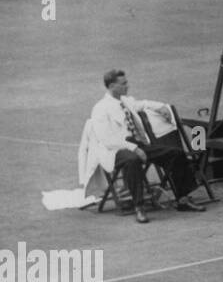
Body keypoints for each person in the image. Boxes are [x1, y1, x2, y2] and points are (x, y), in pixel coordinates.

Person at [87, 69, 208, 223]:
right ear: (112, 86)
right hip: (115, 149)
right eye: (123, 84)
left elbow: (143, 103)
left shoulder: (125, 101)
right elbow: (107, 140)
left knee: (175, 153)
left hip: (136, 144)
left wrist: (162, 107)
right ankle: (139, 206)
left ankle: (183, 199)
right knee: (132, 160)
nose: (127, 86)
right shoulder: (100, 108)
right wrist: (134, 149)